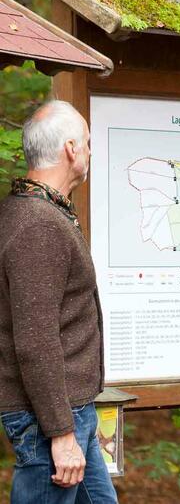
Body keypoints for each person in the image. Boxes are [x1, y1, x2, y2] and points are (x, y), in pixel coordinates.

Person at [0, 101, 117, 504]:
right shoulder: (38, 224)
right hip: (49, 418)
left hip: (68, 411)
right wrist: (61, 433)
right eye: (87, 142)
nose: (90, 151)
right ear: (71, 149)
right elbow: (35, 340)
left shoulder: (35, 212)